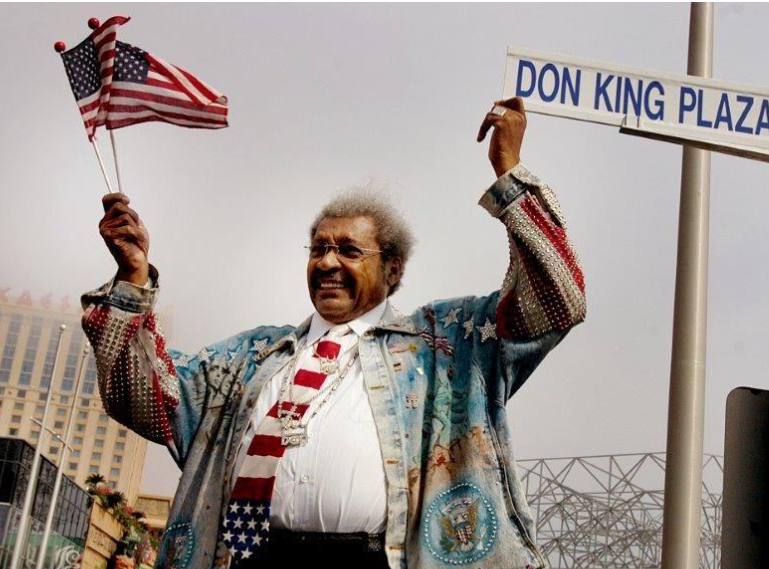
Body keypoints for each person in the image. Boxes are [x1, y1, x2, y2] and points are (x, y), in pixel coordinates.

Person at [81, 97, 586, 569]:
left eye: (348, 250)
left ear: (392, 270)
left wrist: (511, 175)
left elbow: (556, 303)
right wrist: (133, 277)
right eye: (317, 248)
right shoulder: (251, 355)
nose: (327, 262)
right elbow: (140, 399)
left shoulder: (447, 345)